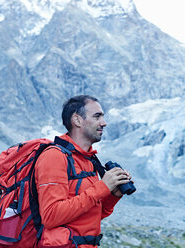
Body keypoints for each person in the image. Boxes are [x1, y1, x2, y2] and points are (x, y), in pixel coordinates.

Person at [34, 95, 131, 247]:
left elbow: (92, 214)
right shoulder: (54, 157)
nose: (104, 123)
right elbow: (51, 216)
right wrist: (102, 188)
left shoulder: (87, 159)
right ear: (77, 120)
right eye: (97, 117)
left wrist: (113, 195)